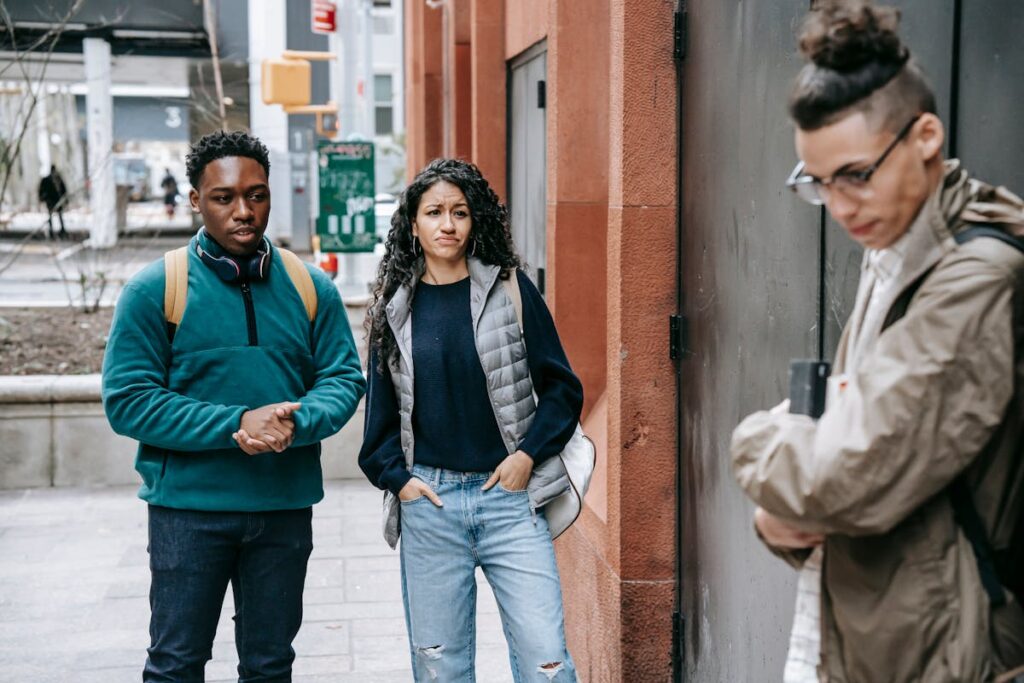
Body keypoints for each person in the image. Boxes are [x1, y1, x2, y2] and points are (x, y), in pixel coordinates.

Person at [731, 2, 1024, 681]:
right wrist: (780, 518)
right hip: (889, 639)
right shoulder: (895, 245)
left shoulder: (976, 280)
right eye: (819, 183)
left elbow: (841, 474)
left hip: (954, 654)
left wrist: (752, 441)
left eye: (856, 175)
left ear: (925, 135)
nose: (840, 206)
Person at [102, 130, 366, 682]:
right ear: (196, 200)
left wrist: (293, 422)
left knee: (270, 666)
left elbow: (343, 378)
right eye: (224, 198)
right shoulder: (156, 289)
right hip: (188, 513)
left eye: (257, 195)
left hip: (283, 508)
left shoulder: (311, 286)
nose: (243, 211)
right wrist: (236, 424)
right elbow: (128, 401)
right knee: (176, 664)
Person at [359, 158, 583, 682]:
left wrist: (527, 457)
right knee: (440, 668)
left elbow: (562, 390)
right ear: (412, 223)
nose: (447, 224)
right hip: (430, 506)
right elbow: (379, 424)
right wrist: (402, 482)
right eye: (434, 212)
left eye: (459, 212)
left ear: (474, 219)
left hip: (510, 500)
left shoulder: (510, 290)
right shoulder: (394, 308)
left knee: (546, 662)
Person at [38, 164, 68, 239]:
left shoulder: (58, 179)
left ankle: (62, 231)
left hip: (58, 200)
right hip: (51, 201)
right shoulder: (47, 179)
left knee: (59, 216)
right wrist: (43, 199)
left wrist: (65, 200)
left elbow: (63, 190)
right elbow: (42, 190)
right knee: (51, 216)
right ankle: (51, 232)